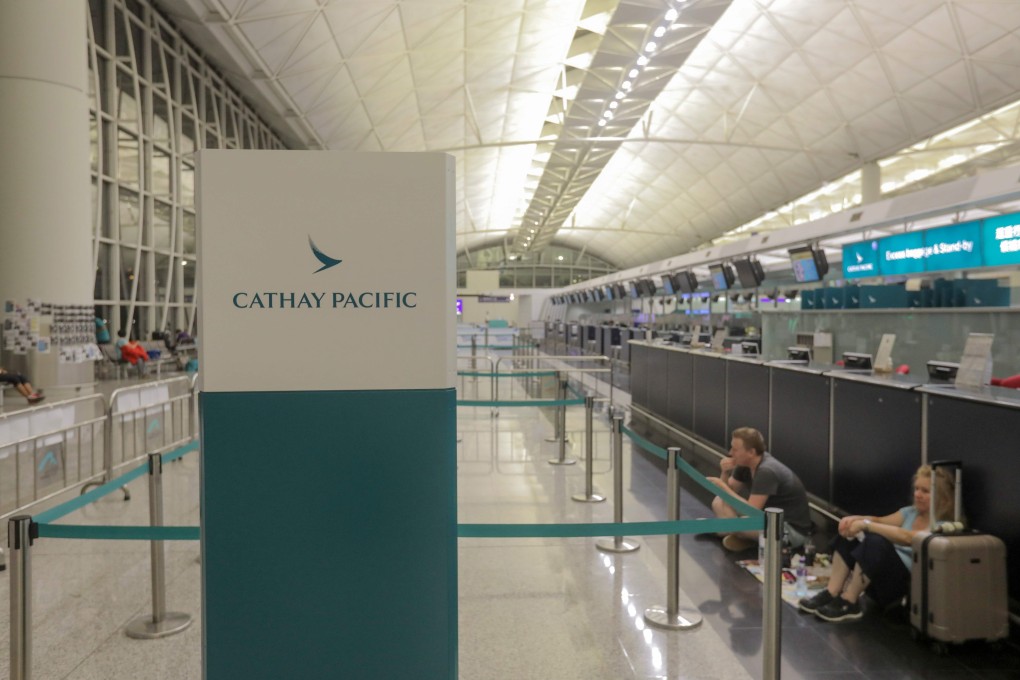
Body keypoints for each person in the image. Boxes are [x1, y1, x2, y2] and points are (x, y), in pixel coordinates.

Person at [798, 464, 956, 622]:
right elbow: (880, 520)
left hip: (902, 584)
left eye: (925, 491)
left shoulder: (942, 525)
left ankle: (850, 601)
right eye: (917, 489)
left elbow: (908, 537)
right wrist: (856, 520)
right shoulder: (910, 512)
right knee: (852, 533)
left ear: (941, 497)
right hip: (877, 574)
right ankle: (832, 591)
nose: (918, 494)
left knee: (875, 542)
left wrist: (867, 525)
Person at [707, 426, 813, 552]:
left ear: (751, 452)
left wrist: (723, 487)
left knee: (740, 522)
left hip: (789, 529)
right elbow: (727, 494)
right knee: (718, 502)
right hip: (765, 519)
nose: (730, 453)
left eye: (735, 449)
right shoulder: (745, 463)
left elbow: (750, 511)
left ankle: (736, 533)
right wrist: (725, 473)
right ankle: (742, 535)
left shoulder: (766, 471)